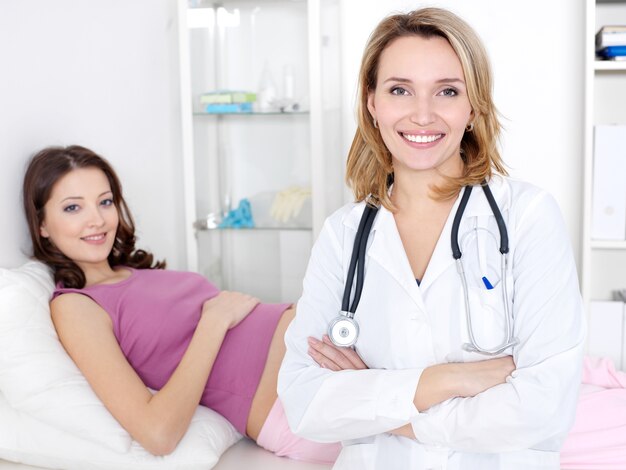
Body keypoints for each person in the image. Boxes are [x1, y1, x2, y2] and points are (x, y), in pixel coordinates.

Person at [278, 7, 586, 470]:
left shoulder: (527, 218)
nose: (422, 115)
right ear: (372, 103)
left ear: (473, 107)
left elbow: (542, 407)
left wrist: (376, 398)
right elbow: (303, 400)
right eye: (399, 89)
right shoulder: (343, 235)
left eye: (446, 91)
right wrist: (445, 381)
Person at [21, 144, 347, 463]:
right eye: (73, 208)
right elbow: (157, 433)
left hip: (322, 348)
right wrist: (213, 322)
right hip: (293, 396)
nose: (97, 220)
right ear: (42, 225)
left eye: (105, 202)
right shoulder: (75, 306)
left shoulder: (135, 273)